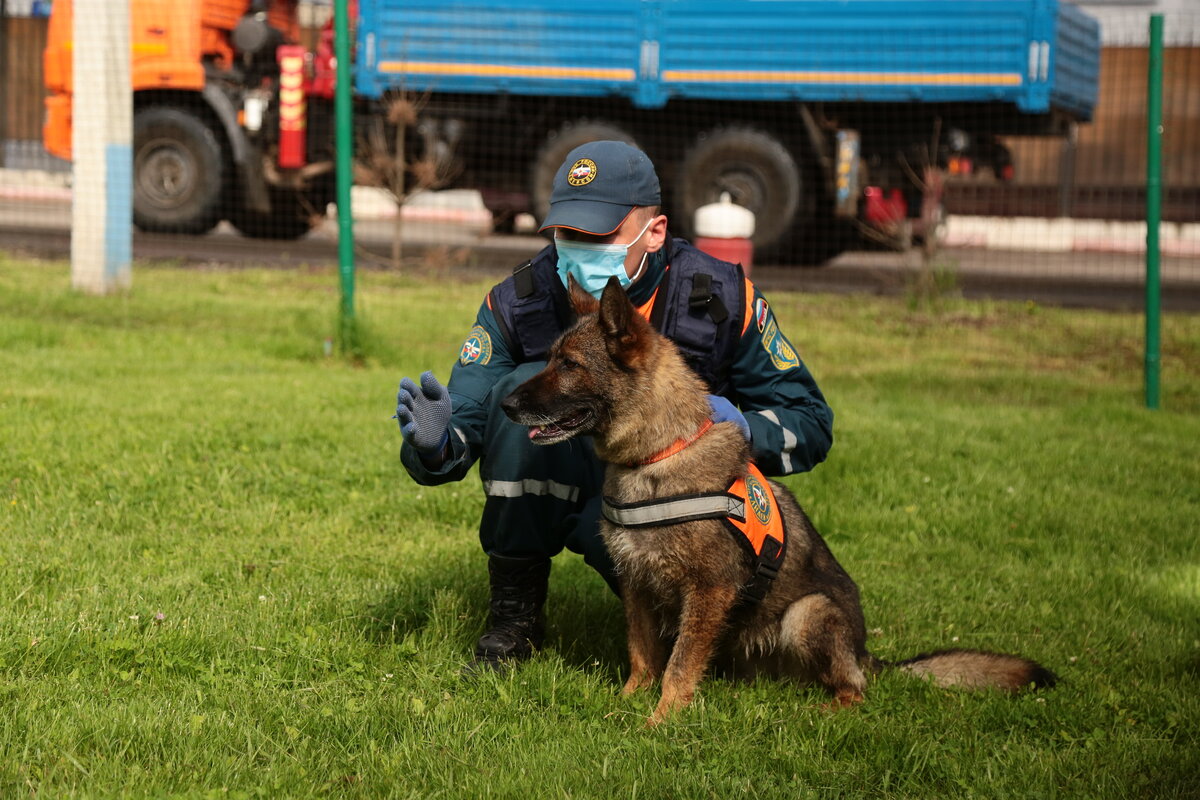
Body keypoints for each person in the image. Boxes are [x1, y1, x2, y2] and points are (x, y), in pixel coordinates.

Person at [395, 141, 833, 671]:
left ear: (655, 232)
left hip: (683, 513)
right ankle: (515, 620)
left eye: (596, 235)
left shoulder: (720, 298)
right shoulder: (519, 300)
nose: (575, 248)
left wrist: (740, 427)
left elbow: (809, 420)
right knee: (526, 385)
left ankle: (702, 628)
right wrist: (437, 446)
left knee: (705, 611)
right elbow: (465, 412)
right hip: (580, 495)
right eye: (566, 233)